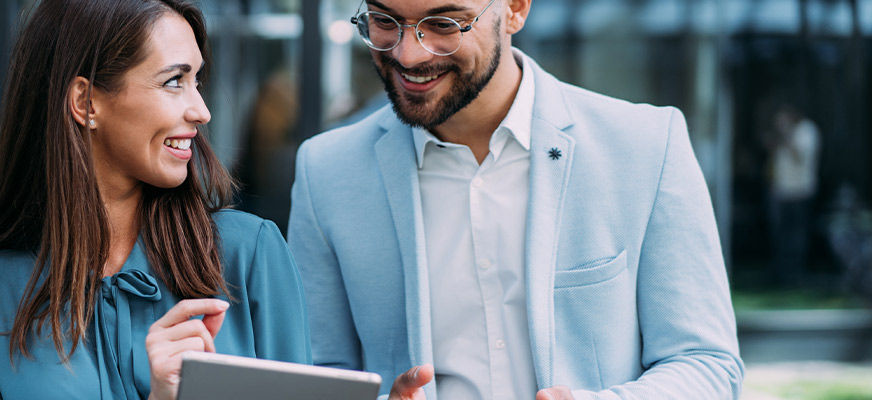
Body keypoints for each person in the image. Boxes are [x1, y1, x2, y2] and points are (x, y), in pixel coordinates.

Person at [287, 0, 743, 399]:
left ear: (516, 9)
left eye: (445, 24)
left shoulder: (646, 145)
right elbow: (315, 374)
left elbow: (707, 365)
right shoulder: (326, 170)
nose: (409, 52)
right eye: (385, 21)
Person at [0, 0, 310, 399]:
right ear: (85, 102)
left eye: (198, 80)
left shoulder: (249, 256)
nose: (202, 110)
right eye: (174, 80)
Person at [766, 103, 820, 286]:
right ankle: (782, 273)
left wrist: (786, 135)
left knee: (797, 235)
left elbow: (799, 155)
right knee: (780, 235)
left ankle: (797, 273)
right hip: (782, 191)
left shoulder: (807, 131)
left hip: (800, 191)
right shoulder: (783, 136)